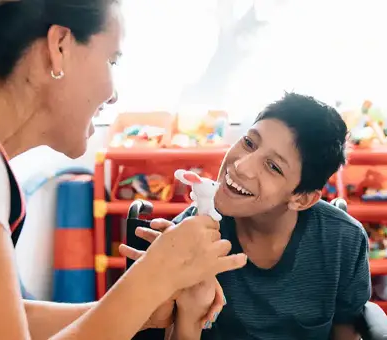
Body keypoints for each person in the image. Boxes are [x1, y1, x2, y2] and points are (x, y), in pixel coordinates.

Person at [0, 0, 247, 339]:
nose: (114, 94)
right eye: (112, 60)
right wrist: (155, 275)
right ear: (59, 46)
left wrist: (141, 309)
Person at [127, 93, 372, 339]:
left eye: (273, 167)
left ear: (302, 198)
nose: (241, 166)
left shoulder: (344, 241)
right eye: (249, 143)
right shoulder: (190, 236)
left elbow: (346, 329)